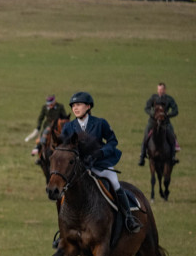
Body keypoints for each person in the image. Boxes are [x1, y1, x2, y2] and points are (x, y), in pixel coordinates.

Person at [61, 91, 140, 234]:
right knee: (63, 192)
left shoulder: (100, 123)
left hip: (100, 165)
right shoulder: (68, 127)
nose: (75, 108)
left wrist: (101, 152)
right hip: (79, 169)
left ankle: (129, 218)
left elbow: (112, 141)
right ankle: (63, 229)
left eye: (79, 104)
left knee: (115, 183)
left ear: (88, 106)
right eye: (73, 105)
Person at [139, 82, 179, 166]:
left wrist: (168, 115)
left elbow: (175, 111)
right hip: (153, 122)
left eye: (162, 89)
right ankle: (142, 156)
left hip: (165, 122)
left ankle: (172, 157)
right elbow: (146, 108)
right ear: (157, 90)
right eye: (159, 89)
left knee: (172, 136)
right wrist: (153, 113)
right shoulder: (153, 98)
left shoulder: (169, 99)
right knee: (146, 136)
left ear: (165, 90)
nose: (160, 91)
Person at [32, 94, 69, 159]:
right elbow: (41, 117)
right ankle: (39, 150)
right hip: (48, 125)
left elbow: (64, 117)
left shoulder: (60, 106)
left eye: (51, 104)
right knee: (44, 133)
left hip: (57, 125)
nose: (50, 106)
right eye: (49, 104)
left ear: (54, 101)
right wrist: (38, 126)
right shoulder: (44, 107)